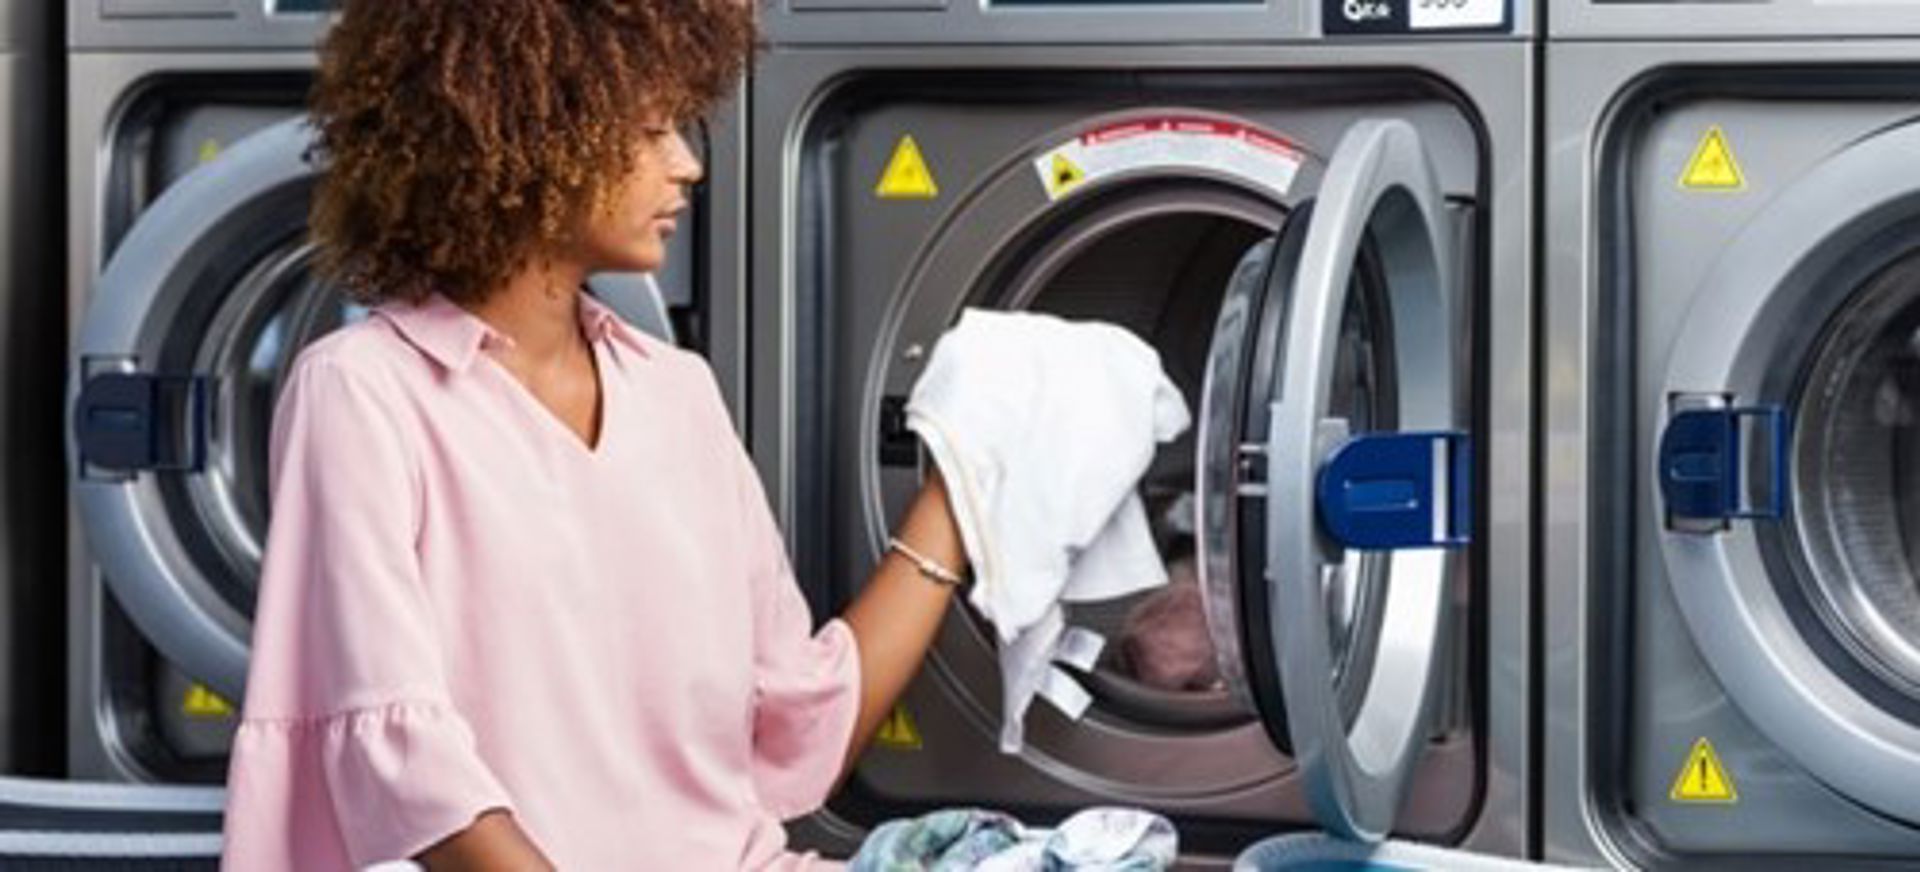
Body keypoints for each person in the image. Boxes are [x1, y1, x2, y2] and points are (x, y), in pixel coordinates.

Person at [218, 1, 967, 868]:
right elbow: (406, 768)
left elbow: (798, 725)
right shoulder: (362, 391)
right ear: (526, 137)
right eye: (650, 133)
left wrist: (962, 492)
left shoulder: (677, 392)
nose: (686, 165)